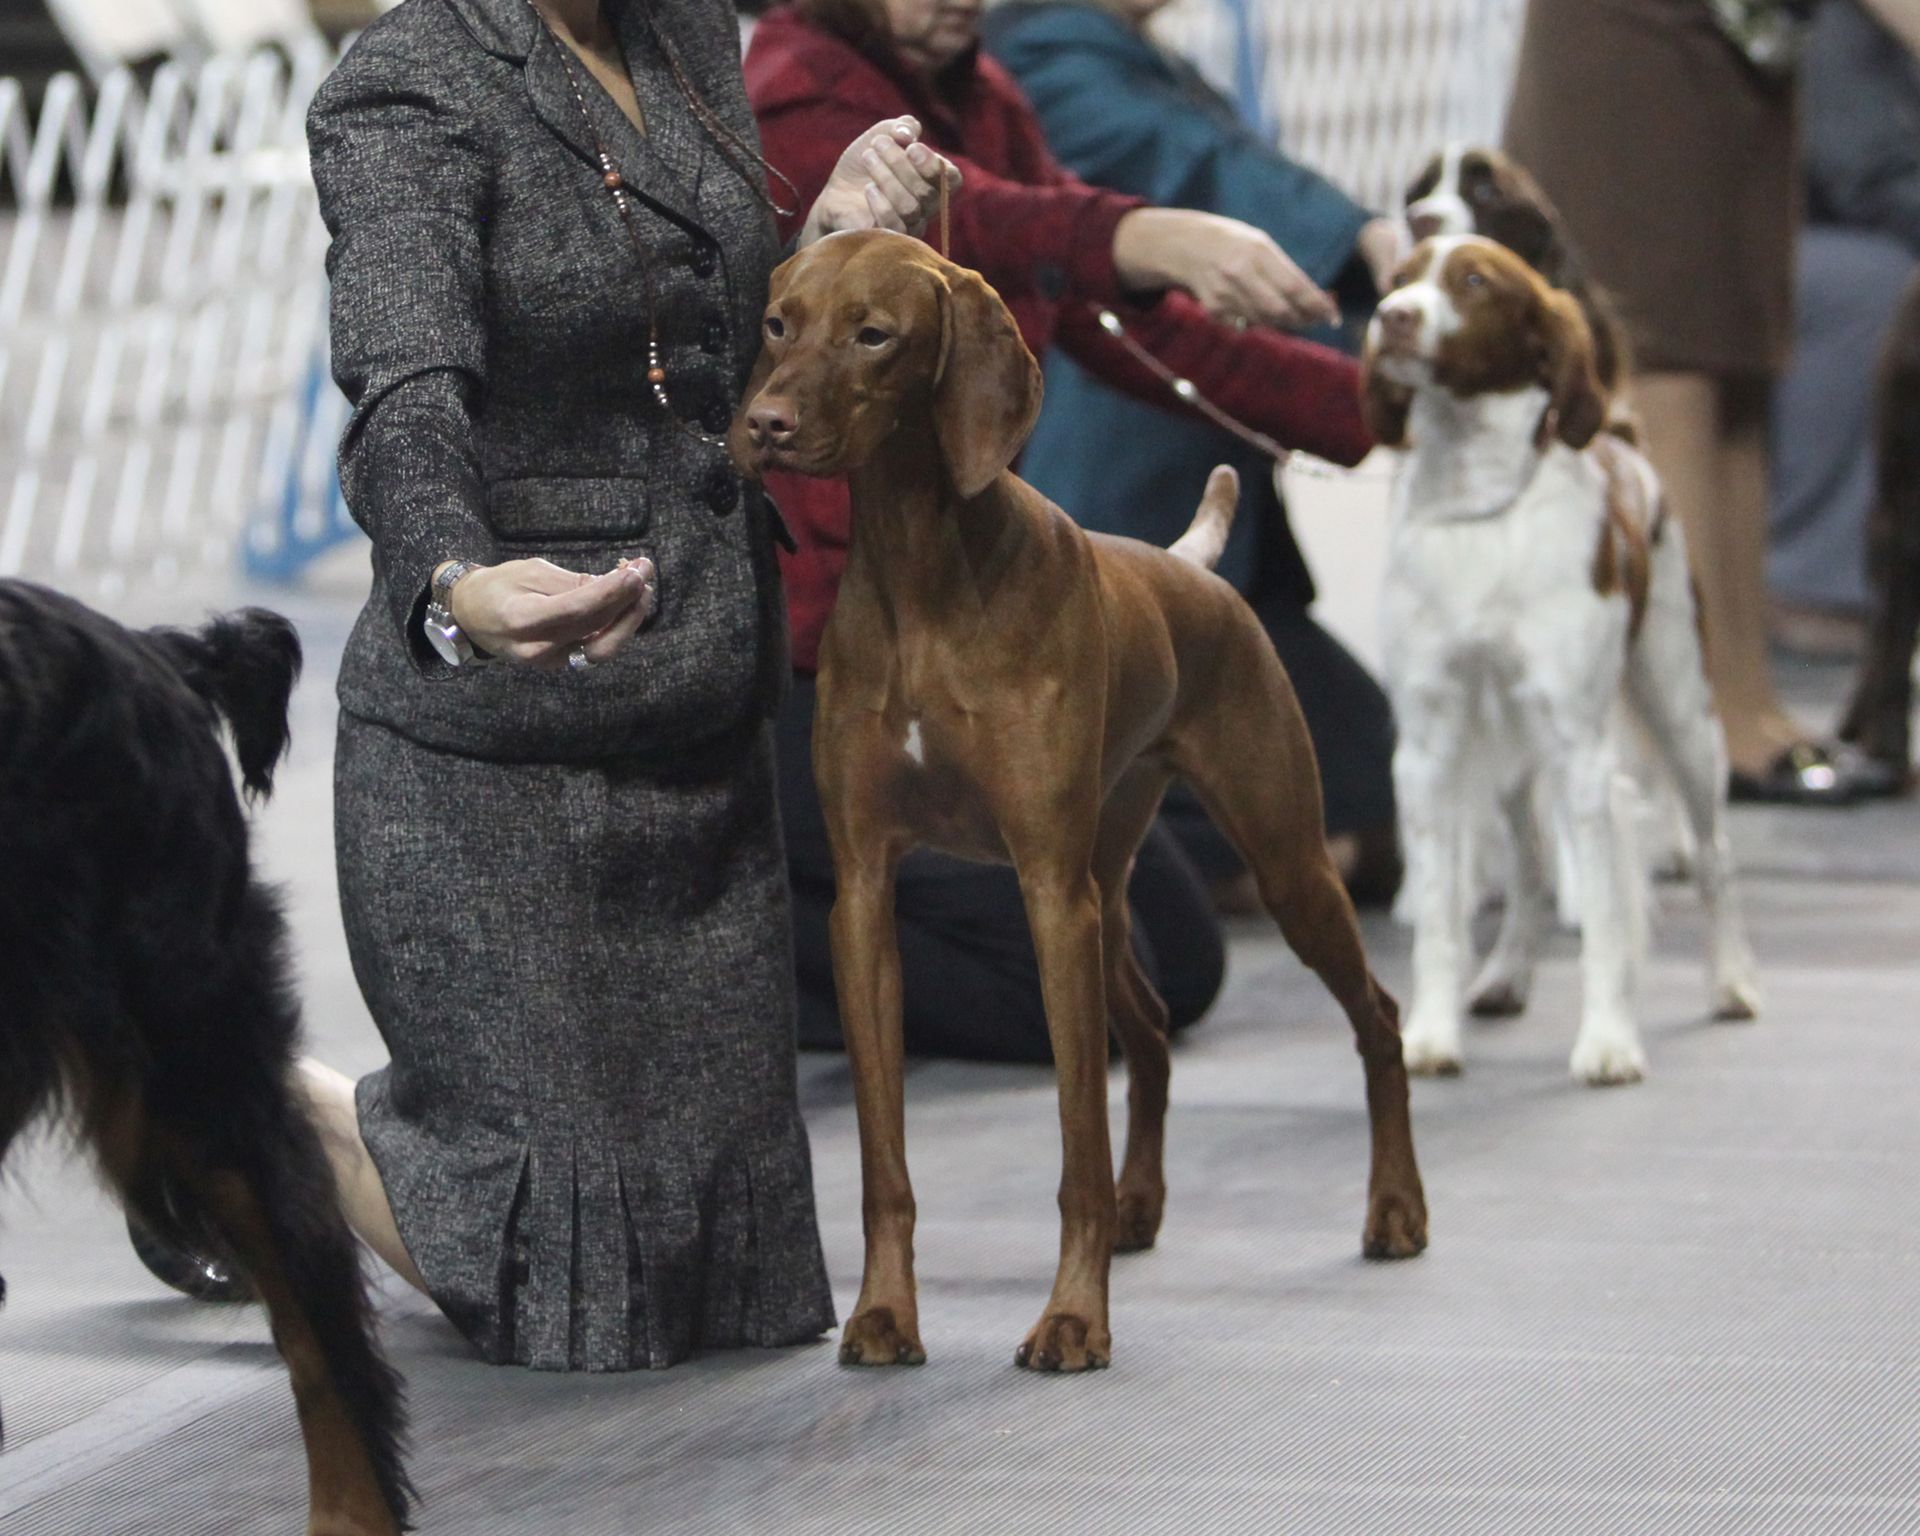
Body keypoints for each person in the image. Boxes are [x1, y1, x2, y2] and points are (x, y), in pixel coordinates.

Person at [132, 0, 959, 1372]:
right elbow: (404, 390)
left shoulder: (687, 33)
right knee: (570, 1292)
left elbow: (693, 351)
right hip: (499, 753)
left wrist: (820, 240)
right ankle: (215, 1098)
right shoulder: (404, 85)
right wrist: (455, 579)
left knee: (724, 1287)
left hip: (699, 709)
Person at [743, 0, 1377, 1061]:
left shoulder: (984, 94)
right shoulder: (799, 87)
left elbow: (1116, 321)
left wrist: (1381, 409)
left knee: (1167, 952)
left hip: (968, 634)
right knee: (1095, 979)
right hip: (818, 661)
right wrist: (1140, 232)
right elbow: (982, 228)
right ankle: (737, 967)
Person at [982, 0, 1407, 905]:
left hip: (1196, 513)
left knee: (1364, 772)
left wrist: (1385, 385)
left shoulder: (1128, 55)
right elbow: (1195, 162)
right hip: (1113, 514)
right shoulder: (1041, 52)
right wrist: (1357, 236)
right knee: (1293, 825)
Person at [1505, 0, 1862, 804]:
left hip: (1744, 39)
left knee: (1740, 362)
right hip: (1636, 36)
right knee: (1668, 364)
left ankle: (1749, 699)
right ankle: (1698, 720)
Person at [1769, 0, 1920, 676]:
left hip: (1875, 222)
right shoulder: (1851, 25)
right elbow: (1857, 169)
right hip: (1815, 239)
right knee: (1880, 291)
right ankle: (1811, 580)